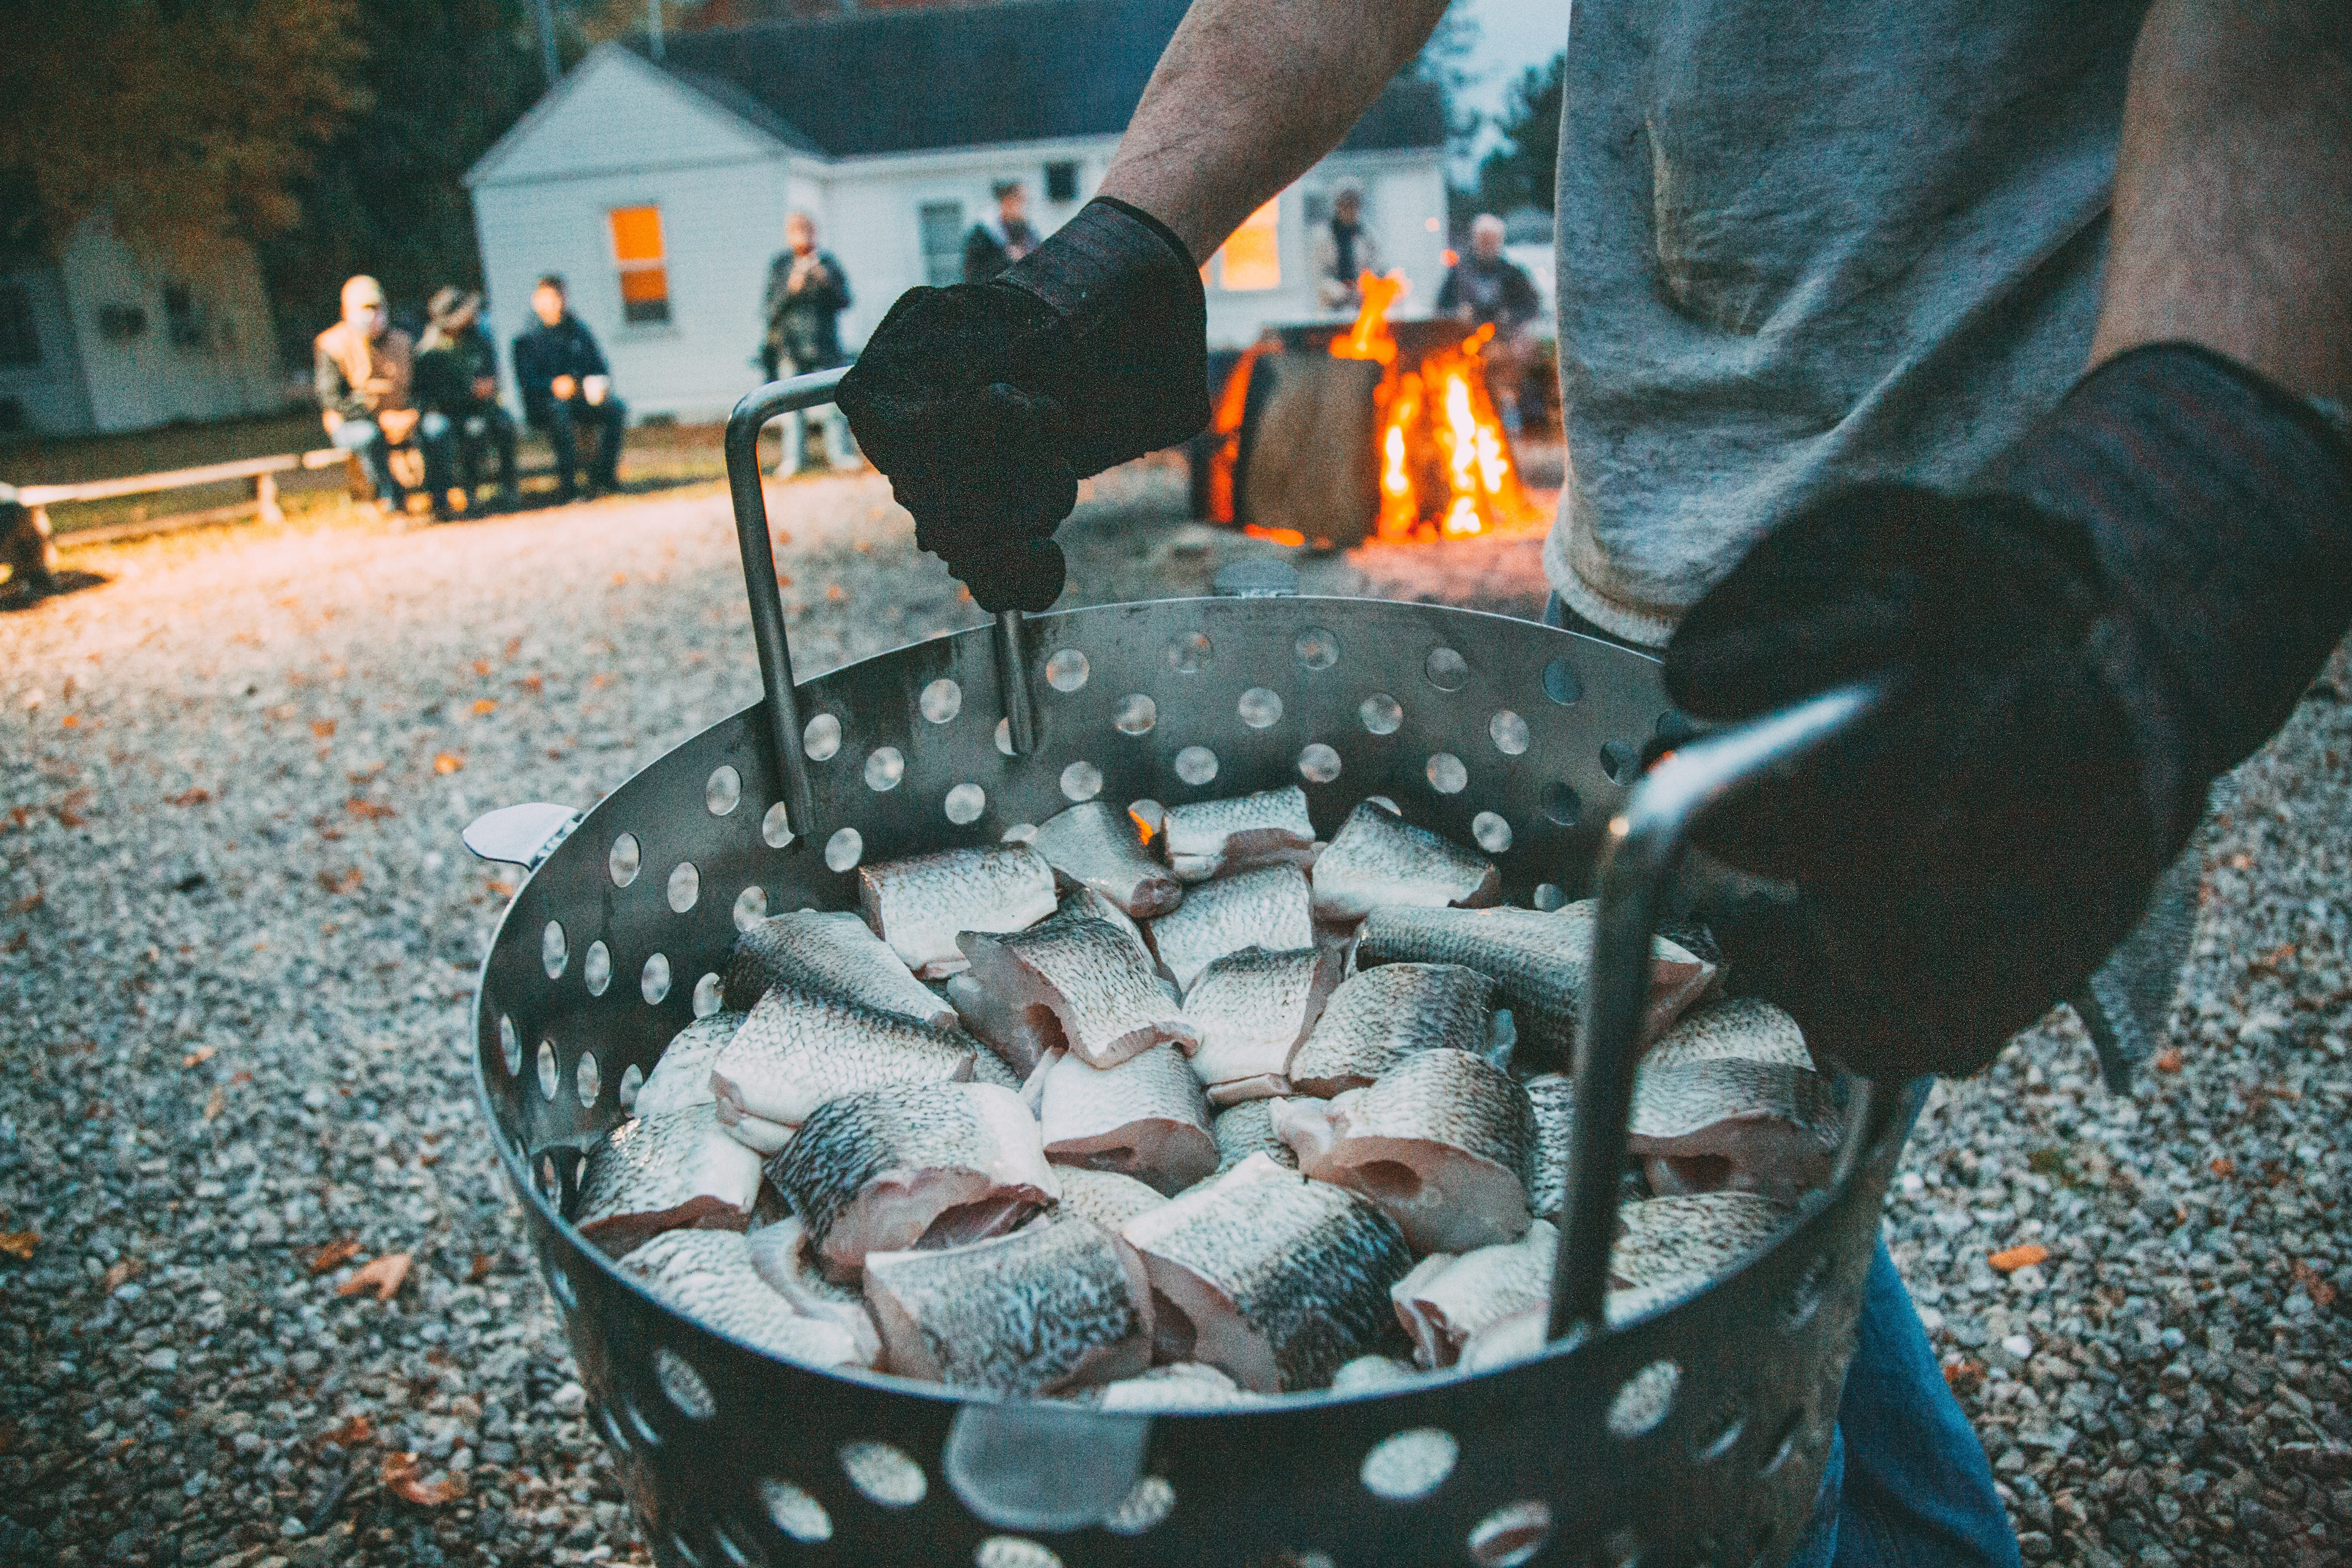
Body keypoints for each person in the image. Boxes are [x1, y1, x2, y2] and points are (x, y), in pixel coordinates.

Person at [835, 2, 2350, 1564]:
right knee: (1723, 1157)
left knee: (1732, 1244)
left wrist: (2173, 478)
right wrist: (1127, 240)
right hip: (1633, 576)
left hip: (1986, 585)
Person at [314, 275, 454, 520]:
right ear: (346, 311)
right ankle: (392, 503)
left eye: (376, 308)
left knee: (438, 429)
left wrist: (413, 415)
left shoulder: (404, 340)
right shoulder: (331, 345)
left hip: (404, 418)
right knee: (368, 436)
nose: (371, 315)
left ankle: (441, 501)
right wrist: (379, 420)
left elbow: (422, 388)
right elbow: (333, 399)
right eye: (363, 309)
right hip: (356, 423)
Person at [760, 212, 859, 474]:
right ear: (789, 235)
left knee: (835, 406)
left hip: (826, 346)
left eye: (809, 231)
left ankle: (840, 454)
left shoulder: (827, 262)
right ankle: (794, 459)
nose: (804, 237)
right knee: (792, 408)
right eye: (798, 231)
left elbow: (846, 300)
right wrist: (791, 287)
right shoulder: (781, 265)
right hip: (791, 348)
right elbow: (769, 309)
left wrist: (825, 281)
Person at [511, 275, 625, 502]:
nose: (557, 302)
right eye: (550, 297)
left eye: (560, 296)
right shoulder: (527, 340)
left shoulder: (579, 332)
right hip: (545, 405)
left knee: (616, 409)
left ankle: (604, 479)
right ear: (536, 301)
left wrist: (595, 383)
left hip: (582, 399)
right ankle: (568, 485)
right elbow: (526, 382)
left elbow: (600, 366)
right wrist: (552, 386)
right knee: (561, 413)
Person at [1436, 213, 1545, 432]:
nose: (1487, 245)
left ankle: (1520, 415)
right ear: (1474, 241)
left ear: (1500, 242)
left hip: (1505, 341)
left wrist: (1514, 320)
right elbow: (1441, 309)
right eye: (1483, 239)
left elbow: (1532, 305)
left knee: (1520, 357)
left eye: (1492, 240)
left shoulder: (1514, 274)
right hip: (1466, 344)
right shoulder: (1457, 274)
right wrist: (1458, 314)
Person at [415, 287, 519, 511]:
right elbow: (432, 395)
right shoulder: (430, 349)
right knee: (440, 431)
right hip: (444, 411)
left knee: (503, 424)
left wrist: (488, 386)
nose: (470, 316)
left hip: (479, 407)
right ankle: (446, 500)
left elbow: (492, 372)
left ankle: (509, 490)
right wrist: (469, 393)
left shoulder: (478, 338)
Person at [1308, 181, 1382, 315]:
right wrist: (1340, 291)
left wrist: (1362, 287)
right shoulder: (1323, 236)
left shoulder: (1368, 235)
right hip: (1331, 307)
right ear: (1338, 206)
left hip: (1363, 306)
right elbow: (1320, 273)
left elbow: (1376, 267)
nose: (1350, 210)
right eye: (1346, 205)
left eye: (1354, 205)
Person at [962, 182, 1039, 283]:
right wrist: (1007, 259)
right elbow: (974, 273)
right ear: (1007, 201)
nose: (1025, 206)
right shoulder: (983, 233)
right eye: (1021, 200)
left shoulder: (1027, 230)